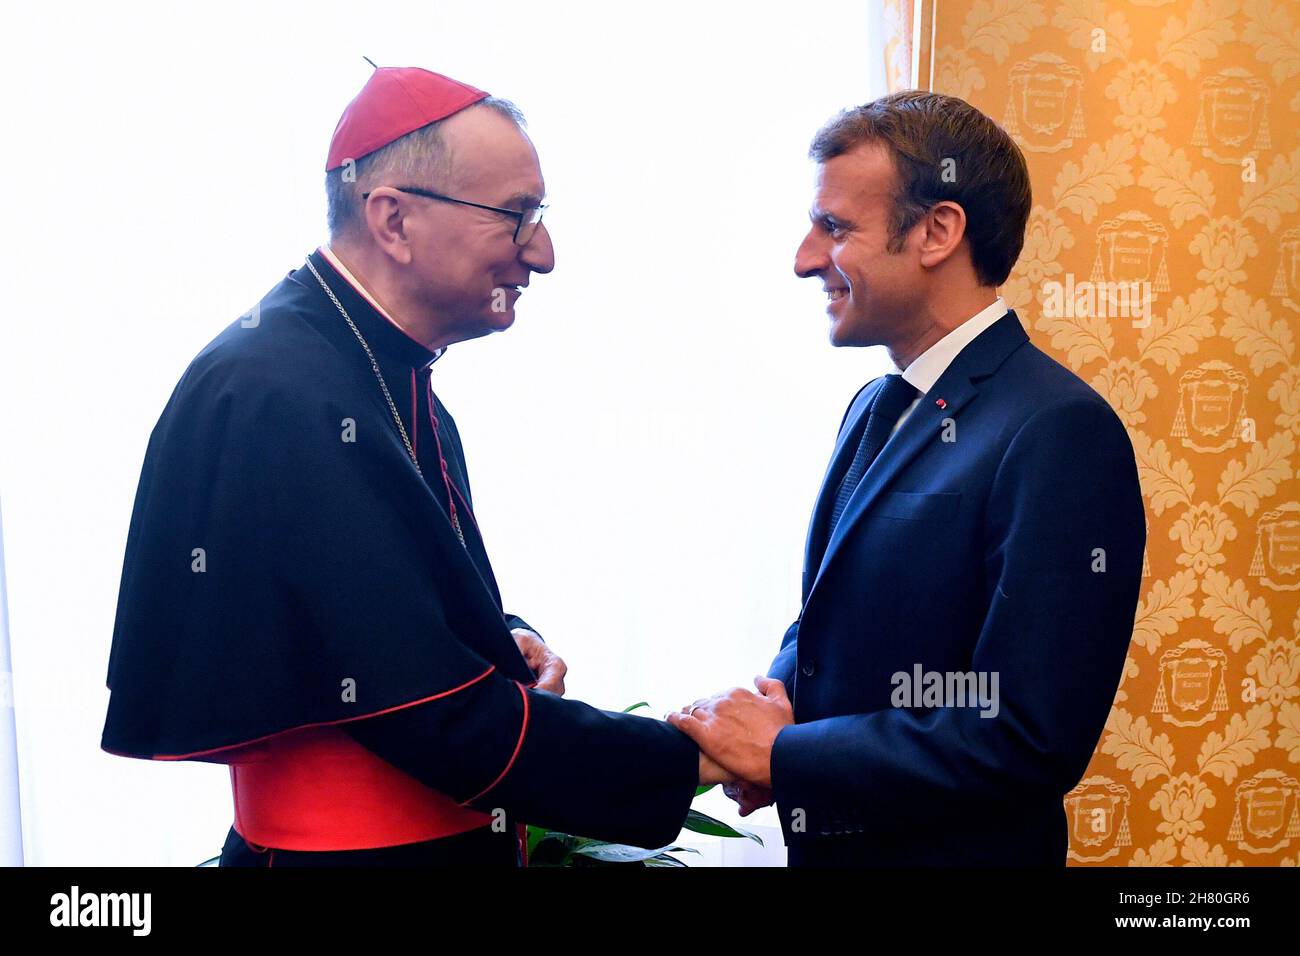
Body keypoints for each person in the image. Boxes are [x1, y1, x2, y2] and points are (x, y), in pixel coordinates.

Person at [101, 64, 726, 867]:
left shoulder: (370, 365)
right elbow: (423, 712)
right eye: (516, 216)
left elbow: (367, 619)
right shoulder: (279, 392)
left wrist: (502, 638)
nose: (543, 252)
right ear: (393, 220)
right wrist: (694, 755)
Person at [670, 91, 1145, 866]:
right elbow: (833, 621)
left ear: (938, 232)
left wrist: (788, 757)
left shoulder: (1058, 430)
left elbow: (1025, 733)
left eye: (834, 227)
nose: (804, 258)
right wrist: (768, 708)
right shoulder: (873, 406)